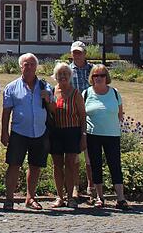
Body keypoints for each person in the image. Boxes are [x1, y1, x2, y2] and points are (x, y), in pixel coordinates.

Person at [1, 53, 54, 210]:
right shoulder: (11, 87)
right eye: (26, 64)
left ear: (36, 66)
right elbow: (6, 112)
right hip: (19, 132)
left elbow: (52, 110)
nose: (29, 67)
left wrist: (47, 99)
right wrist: (4, 132)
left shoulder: (45, 86)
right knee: (13, 165)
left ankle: (30, 198)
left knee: (35, 166)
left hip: (40, 131)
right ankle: (9, 199)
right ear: (20, 67)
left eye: (32, 64)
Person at [85, 64, 130, 210]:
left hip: (112, 135)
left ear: (107, 77)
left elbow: (120, 113)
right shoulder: (86, 93)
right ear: (92, 78)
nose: (98, 78)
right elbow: (81, 116)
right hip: (93, 135)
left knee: (115, 166)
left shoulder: (115, 93)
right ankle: (100, 197)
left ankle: (121, 198)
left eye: (102, 75)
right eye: (95, 75)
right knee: (96, 166)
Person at [49, 62, 87, 209]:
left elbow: (83, 116)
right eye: (60, 74)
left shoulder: (76, 93)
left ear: (70, 76)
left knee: (70, 164)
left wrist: (83, 135)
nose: (63, 76)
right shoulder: (52, 91)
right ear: (56, 76)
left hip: (72, 131)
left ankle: (71, 197)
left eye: (65, 73)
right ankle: (59, 197)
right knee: (57, 165)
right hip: (56, 132)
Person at [69, 40, 95, 199]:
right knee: (74, 155)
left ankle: (92, 187)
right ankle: (75, 187)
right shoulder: (67, 70)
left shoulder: (93, 70)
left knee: (90, 155)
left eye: (79, 52)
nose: (77, 55)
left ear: (85, 53)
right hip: (73, 116)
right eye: (74, 52)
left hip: (91, 116)